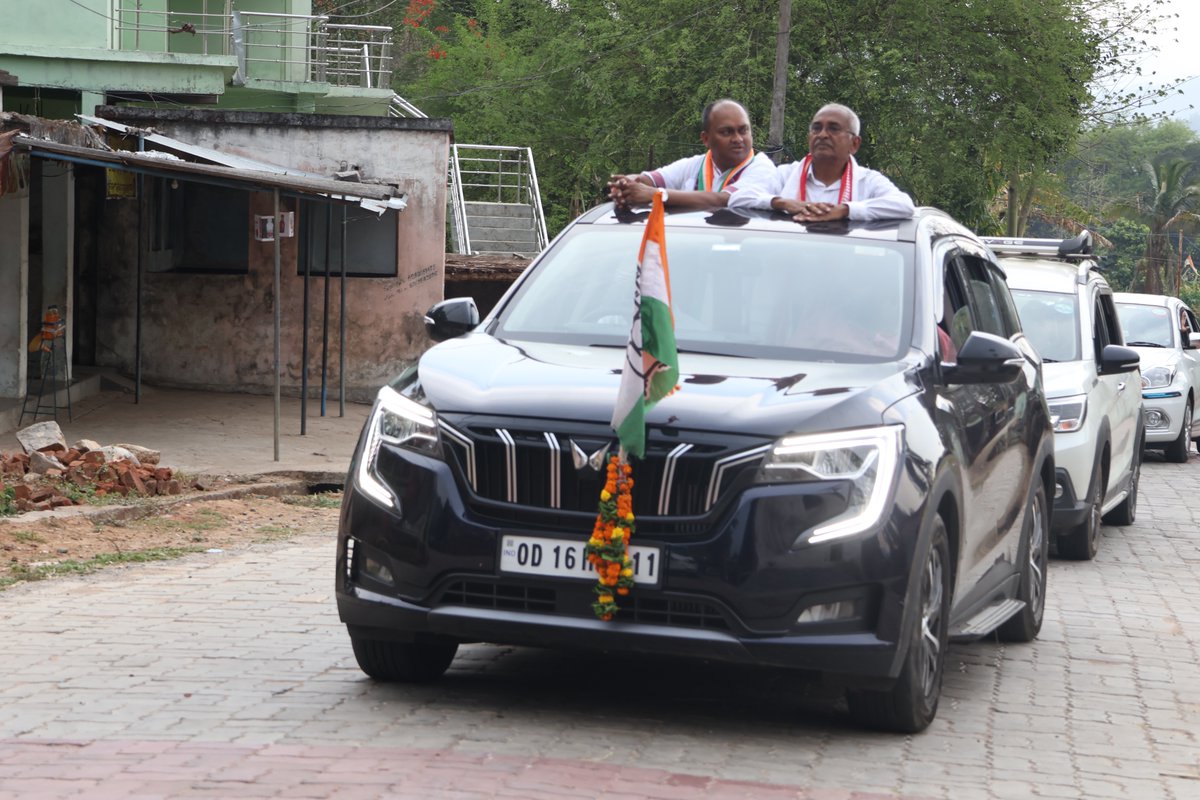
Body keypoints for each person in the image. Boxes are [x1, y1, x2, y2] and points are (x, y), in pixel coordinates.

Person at [744, 103, 915, 222]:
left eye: (833, 128)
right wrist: (781, 202)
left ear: (855, 144)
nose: (823, 135)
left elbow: (904, 205)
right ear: (809, 138)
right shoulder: (785, 174)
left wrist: (846, 210)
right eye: (816, 128)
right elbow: (740, 196)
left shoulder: (867, 181)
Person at [607, 99, 776, 211]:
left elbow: (722, 200)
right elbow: (647, 180)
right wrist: (625, 185)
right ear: (706, 139)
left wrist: (656, 195)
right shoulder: (696, 165)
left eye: (743, 130)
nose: (738, 139)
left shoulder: (762, 168)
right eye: (727, 132)